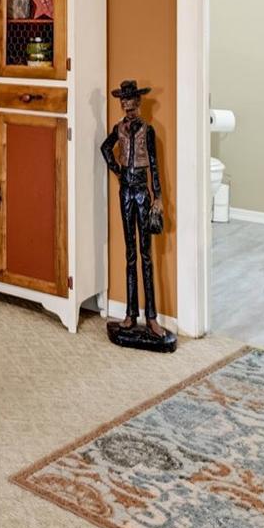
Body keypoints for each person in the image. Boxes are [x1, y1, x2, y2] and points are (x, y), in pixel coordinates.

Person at [101, 79, 174, 351]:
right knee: (130, 253)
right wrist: (116, 170)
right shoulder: (118, 129)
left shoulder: (148, 130)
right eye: (124, 104)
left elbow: (154, 165)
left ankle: (151, 317)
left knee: (146, 254)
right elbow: (105, 148)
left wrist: (158, 197)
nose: (128, 108)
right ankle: (131, 315)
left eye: (131, 104)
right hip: (126, 192)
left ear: (138, 103)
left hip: (143, 192)